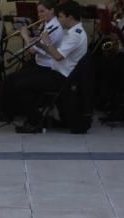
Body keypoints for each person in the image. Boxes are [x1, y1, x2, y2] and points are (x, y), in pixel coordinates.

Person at [14, 0, 86, 132]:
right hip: (57, 72)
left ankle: (35, 123)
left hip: (63, 77)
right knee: (20, 81)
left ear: (69, 17)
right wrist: (40, 44)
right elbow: (55, 53)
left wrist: (46, 43)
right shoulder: (71, 32)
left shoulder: (75, 35)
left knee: (21, 86)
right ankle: (37, 119)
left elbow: (58, 56)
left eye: (61, 16)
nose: (59, 19)